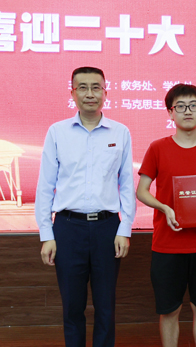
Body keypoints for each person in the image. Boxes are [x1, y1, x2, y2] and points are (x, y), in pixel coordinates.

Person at [35, 66, 136, 347]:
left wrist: (125, 228)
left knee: (106, 307)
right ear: (73, 93)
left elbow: (126, 184)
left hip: (107, 228)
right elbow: (45, 186)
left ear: (105, 93)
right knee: (72, 306)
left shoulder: (120, 132)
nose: (90, 94)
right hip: (68, 228)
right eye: (83, 87)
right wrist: (46, 234)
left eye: (96, 87)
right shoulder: (57, 132)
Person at [136, 84, 196, 347]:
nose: (188, 111)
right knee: (169, 310)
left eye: (193, 105)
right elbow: (141, 191)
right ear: (170, 113)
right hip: (168, 244)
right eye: (181, 106)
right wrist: (164, 208)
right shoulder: (157, 148)